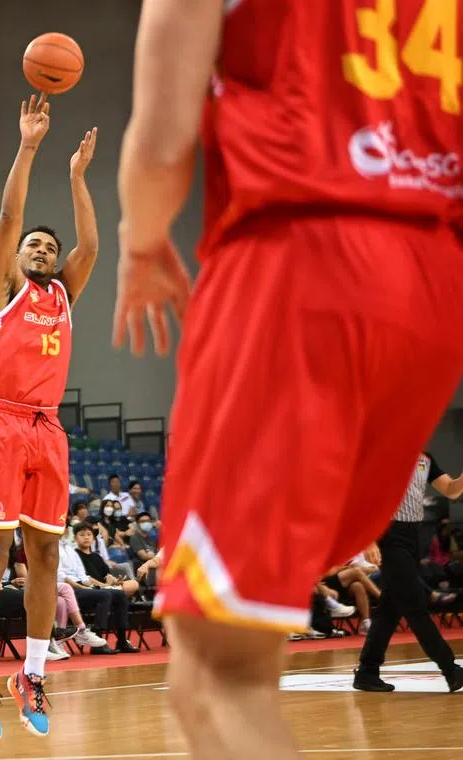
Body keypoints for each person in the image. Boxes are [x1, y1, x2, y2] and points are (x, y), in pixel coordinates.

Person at [113, 2, 463, 758]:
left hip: (299, 263)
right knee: (247, 634)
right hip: (434, 283)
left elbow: (162, 139)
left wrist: (140, 244)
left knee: (214, 671)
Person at [0, 92, 99, 741]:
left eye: (48, 245)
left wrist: (76, 179)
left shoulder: (64, 293)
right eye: (32, 244)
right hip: (0, 422)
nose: (40, 248)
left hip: (48, 428)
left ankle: (31, 673)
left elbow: (91, 242)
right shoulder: (1, 289)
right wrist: (31, 146)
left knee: (46, 555)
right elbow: (9, 214)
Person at [355, 454, 463, 693]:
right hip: (389, 534)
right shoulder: (388, 451)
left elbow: (451, 491)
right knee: (416, 605)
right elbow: (364, 496)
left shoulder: (426, 458)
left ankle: (367, 671)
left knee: (389, 608)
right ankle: (450, 669)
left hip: (414, 536)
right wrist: (370, 540)